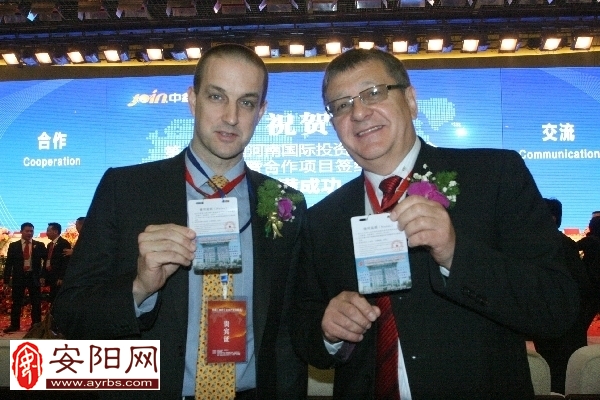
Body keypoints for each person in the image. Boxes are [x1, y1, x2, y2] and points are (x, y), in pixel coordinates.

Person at [290, 48, 579, 399]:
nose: (359, 112)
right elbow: (305, 332)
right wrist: (327, 330)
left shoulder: (494, 176)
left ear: (411, 101)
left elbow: (556, 308)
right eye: (341, 105)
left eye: (373, 93)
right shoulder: (323, 218)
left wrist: (455, 253)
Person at [53, 44, 307, 400]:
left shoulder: (285, 202)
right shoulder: (126, 189)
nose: (231, 117)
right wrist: (139, 287)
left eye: (247, 102)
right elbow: (68, 315)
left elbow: (286, 335)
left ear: (261, 112)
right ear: (192, 100)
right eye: (217, 97)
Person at [532, 198, 596, 394]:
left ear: (551, 218)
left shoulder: (555, 246)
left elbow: (580, 285)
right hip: (562, 321)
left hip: (561, 322)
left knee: (559, 374)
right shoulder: (561, 244)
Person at [3, 222, 46, 333]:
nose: (29, 233)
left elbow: (47, 260)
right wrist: (6, 280)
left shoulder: (39, 245)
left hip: (34, 277)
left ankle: (36, 325)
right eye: (27, 231)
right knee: (16, 302)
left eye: (31, 231)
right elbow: (9, 264)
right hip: (19, 277)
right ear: (21, 231)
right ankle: (14, 325)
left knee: (36, 302)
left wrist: (43, 275)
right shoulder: (14, 246)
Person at [40, 222, 71, 303]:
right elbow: (46, 260)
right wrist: (43, 275)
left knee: (57, 298)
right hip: (50, 275)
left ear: (56, 231)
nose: (47, 233)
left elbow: (65, 261)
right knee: (51, 298)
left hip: (57, 276)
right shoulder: (49, 245)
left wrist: (61, 277)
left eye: (48, 231)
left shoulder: (64, 243)